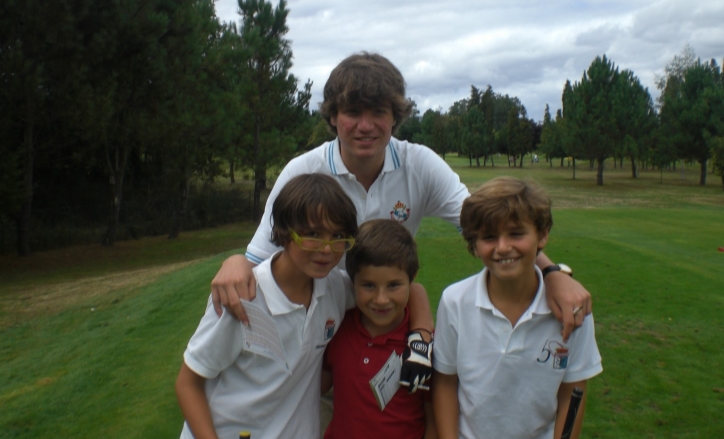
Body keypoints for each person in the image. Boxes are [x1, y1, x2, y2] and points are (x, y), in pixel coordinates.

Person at [210, 51, 590, 386]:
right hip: (317, 334)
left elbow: (485, 228)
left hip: (388, 324)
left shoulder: (419, 163)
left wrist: (552, 273)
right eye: (353, 112)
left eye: (379, 112)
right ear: (333, 117)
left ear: (395, 117)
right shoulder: (303, 170)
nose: (365, 125)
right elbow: (259, 257)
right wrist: (233, 261)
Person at [175, 174, 360, 438]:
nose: (327, 249)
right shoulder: (242, 297)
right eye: (313, 234)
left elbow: (395, 290)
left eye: (338, 236)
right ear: (284, 234)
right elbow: (188, 383)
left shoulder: (336, 289)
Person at [432, 177, 603, 439]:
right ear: (474, 244)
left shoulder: (573, 308)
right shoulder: (455, 301)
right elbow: (445, 382)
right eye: (489, 237)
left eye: (516, 233)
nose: (503, 247)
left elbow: (573, 391)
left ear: (542, 235)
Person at [321, 219, 437, 439]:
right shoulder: (338, 327)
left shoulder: (425, 347)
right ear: (352, 282)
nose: (381, 299)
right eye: (369, 285)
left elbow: (434, 420)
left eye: (393, 285)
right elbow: (314, 388)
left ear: (411, 280)